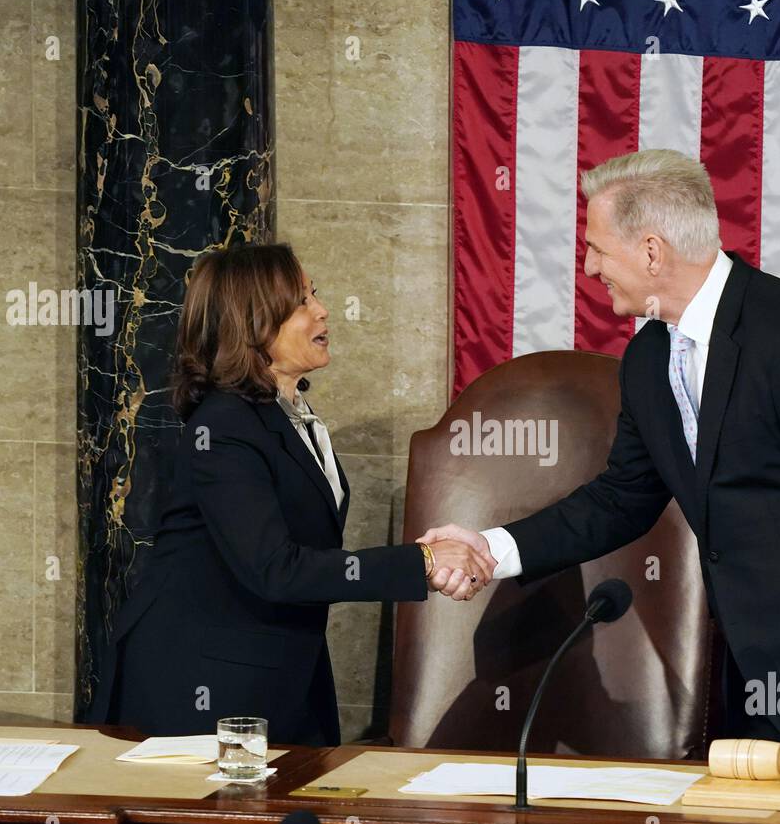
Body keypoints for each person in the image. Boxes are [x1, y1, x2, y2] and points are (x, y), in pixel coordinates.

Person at [420, 149, 780, 770]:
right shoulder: (648, 359)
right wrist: (490, 547)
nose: (589, 266)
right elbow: (622, 498)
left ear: (652, 251)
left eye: (598, 248)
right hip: (758, 676)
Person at [85, 243, 495, 745]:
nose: (322, 310)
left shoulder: (280, 415)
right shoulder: (224, 424)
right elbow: (275, 568)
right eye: (302, 301)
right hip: (203, 687)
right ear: (254, 323)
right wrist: (423, 562)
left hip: (277, 672)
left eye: (314, 295)